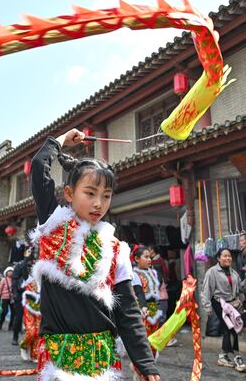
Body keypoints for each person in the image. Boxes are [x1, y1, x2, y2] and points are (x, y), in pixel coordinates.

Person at [30, 129, 159, 380]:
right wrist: (63, 139)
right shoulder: (54, 225)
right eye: (90, 193)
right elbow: (38, 166)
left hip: (102, 356)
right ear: (69, 193)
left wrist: (145, 363)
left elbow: (128, 311)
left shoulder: (115, 248)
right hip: (60, 356)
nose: (99, 203)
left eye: (106, 196)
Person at [201, 247, 246, 373]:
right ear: (218, 258)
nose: (228, 258)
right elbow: (206, 290)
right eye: (225, 256)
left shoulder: (234, 273)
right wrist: (207, 306)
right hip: (219, 303)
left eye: (229, 256)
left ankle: (223, 356)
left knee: (229, 329)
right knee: (231, 328)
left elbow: (240, 290)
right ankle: (238, 357)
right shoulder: (212, 272)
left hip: (232, 304)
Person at [132, 246, 163, 357]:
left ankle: (150, 367)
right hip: (142, 311)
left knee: (153, 340)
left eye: (150, 257)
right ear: (136, 259)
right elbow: (139, 293)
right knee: (144, 341)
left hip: (153, 310)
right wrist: (143, 307)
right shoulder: (134, 274)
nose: (149, 260)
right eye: (145, 257)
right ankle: (142, 369)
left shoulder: (153, 272)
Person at [11, 247, 34, 345]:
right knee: (18, 317)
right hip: (21, 294)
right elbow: (15, 280)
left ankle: (31, 338)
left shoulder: (35, 265)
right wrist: (15, 293)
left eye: (31, 253)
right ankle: (15, 337)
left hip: (33, 295)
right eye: (28, 252)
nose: (29, 254)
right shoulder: (19, 266)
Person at [148, 245, 169, 326]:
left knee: (160, 320)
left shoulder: (158, 261)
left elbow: (165, 273)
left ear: (153, 250)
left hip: (160, 298)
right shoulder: (154, 261)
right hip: (158, 298)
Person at [0, 267, 14, 331]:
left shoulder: (14, 279)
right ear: (6, 273)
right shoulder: (3, 279)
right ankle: (1, 323)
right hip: (4, 297)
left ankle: (11, 326)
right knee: (5, 311)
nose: (10, 272)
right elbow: (0, 288)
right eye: (9, 271)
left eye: (11, 271)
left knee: (13, 312)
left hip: (12, 298)